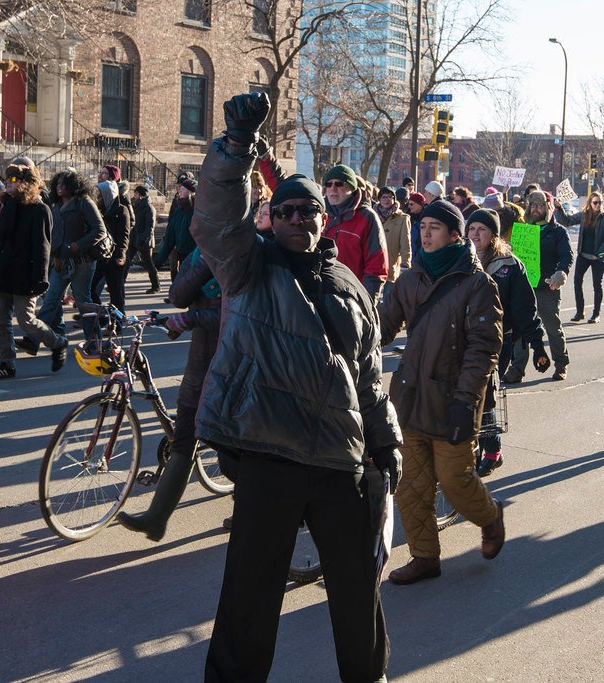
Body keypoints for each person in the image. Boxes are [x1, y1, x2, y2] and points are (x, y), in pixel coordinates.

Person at [195, 93, 402, 682]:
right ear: (271, 219)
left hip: (341, 462)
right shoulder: (248, 265)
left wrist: (385, 449)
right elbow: (213, 218)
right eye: (284, 211)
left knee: (359, 591)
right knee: (250, 599)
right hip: (269, 456)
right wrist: (235, 149)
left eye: (307, 212)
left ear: (323, 219)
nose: (297, 220)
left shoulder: (350, 285)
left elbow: (369, 375)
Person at [379, 199, 506, 586]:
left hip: (453, 400)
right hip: (410, 396)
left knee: (455, 479)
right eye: (423, 226)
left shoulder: (477, 283)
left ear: (455, 235)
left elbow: (483, 348)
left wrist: (465, 402)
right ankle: (425, 557)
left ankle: (490, 516)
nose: (425, 233)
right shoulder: (409, 279)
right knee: (411, 485)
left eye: (435, 227)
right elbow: (380, 329)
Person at [116, 245, 222, 540]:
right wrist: (203, 260)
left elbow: (239, 314)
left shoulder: (245, 251)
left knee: (235, 451)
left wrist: (192, 319)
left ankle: (263, 512)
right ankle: (156, 518)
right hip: (200, 361)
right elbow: (178, 296)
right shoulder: (203, 252)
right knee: (184, 437)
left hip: (230, 364)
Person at [465, 208, 549, 477]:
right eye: (472, 229)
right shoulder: (460, 259)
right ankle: (468, 445)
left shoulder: (509, 266)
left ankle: (492, 449)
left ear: (493, 235)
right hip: (462, 337)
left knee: (485, 394)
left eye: (482, 230)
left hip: (497, 339)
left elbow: (526, 309)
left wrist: (537, 345)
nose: (476, 234)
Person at [0, 163, 67, 379]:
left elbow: (43, 246)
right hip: (4, 271)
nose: (8, 185)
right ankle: (7, 362)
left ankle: (57, 342)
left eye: (13, 180)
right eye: (8, 180)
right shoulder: (8, 205)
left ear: (25, 183)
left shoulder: (40, 209)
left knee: (26, 319)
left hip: (26, 273)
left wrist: (40, 278)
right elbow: (0, 238)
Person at [18, 170, 106, 357]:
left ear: (74, 185)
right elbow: (55, 234)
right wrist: (56, 255)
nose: (59, 187)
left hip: (83, 262)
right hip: (61, 261)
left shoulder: (84, 203)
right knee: (51, 299)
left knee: (83, 303)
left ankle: (95, 343)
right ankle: (33, 340)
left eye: (63, 184)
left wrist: (77, 246)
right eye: (57, 183)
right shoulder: (56, 205)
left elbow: (100, 230)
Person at [502, 190, 573, 383]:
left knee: (553, 328)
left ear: (548, 208)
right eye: (532, 205)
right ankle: (517, 369)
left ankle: (561, 364)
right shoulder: (521, 230)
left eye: (540, 205)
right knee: (520, 329)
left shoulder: (558, 231)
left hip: (547, 288)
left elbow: (566, 256)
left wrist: (561, 272)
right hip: (523, 288)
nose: (536, 209)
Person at [321, 164, 389, 299]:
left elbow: (376, 267)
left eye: (339, 184)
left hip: (350, 299)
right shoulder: (318, 213)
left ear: (352, 188)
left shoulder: (367, 217)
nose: (333, 188)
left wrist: (365, 303)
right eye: (328, 184)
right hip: (318, 297)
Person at [556, 191, 604, 324]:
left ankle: (596, 314)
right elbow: (567, 221)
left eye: (600, 202)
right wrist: (559, 208)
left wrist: (599, 253)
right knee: (577, 282)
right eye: (595, 202)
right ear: (590, 203)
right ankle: (580, 312)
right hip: (583, 254)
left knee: (596, 284)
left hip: (598, 257)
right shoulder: (584, 215)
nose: (598, 205)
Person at [89, 178, 132, 315]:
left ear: (108, 196)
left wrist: (121, 254)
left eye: (100, 196)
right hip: (100, 256)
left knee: (116, 294)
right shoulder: (97, 210)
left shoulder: (122, 210)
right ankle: (99, 316)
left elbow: (124, 235)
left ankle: (118, 323)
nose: (98, 199)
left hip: (115, 258)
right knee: (89, 288)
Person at [154, 178, 196, 282]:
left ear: (192, 192)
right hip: (182, 254)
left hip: (196, 256)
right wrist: (159, 260)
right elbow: (170, 237)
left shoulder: (199, 211)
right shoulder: (178, 211)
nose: (180, 190)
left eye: (183, 188)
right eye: (180, 188)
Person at [376, 186, 411, 300]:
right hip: (373, 265)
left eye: (390, 197)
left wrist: (405, 264)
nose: (386, 200)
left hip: (392, 265)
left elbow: (405, 242)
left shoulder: (402, 218)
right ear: (379, 199)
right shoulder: (372, 216)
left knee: (389, 301)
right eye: (384, 197)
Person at [128, 185, 161, 293]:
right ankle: (118, 283)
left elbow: (150, 227)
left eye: (136, 194)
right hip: (134, 238)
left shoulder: (148, 208)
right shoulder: (137, 205)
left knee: (148, 264)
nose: (134, 196)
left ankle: (156, 286)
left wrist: (144, 239)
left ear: (141, 195)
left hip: (144, 241)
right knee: (126, 260)